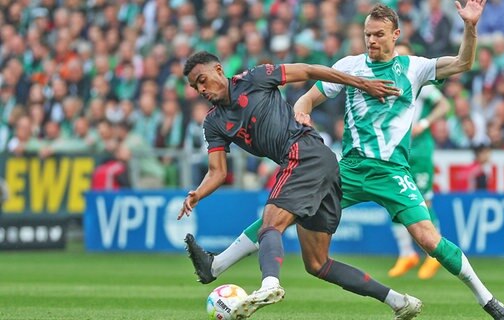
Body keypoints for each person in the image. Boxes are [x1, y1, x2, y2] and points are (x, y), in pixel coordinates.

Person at [184, 2, 504, 319]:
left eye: (378, 34)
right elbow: (308, 97)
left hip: (392, 172)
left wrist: (470, 27)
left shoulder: (414, 68)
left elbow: (463, 62)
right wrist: (302, 113)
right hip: (349, 170)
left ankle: (489, 302)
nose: (371, 40)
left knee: (429, 239)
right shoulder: (350, 66)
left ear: (395, 35)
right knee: (288, 223)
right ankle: (217, 265)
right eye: (367, 34)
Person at [177, 51, 423, 320]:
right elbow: (217, 171)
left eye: (202, 80)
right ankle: (399, 301)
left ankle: (269, 284)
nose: (200, 89)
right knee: (317, 263)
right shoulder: (213, 123)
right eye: (194, 86)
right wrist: (197, 193)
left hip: (303, 153)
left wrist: (361, 83)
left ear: (219, 71)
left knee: (270, 224)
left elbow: (307, 70)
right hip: (320, 165)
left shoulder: (255, 77)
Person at [387, 43, 450, 280]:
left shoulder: (419, 83)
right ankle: (406, 254)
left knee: (424, 201)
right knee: (392, 197)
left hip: (419, 149)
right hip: (395, 149)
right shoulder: (388, 82)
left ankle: (434, 255)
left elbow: (445, 105)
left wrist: (424, 124)